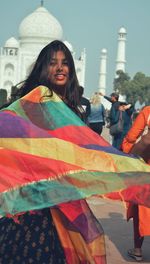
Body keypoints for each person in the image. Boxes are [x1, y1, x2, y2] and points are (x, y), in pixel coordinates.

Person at [0, 40, 106, 263]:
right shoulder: (34, 102)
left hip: (65, 196)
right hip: (34, 200)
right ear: (42, 68)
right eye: (53, 63)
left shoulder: (69, 107)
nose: (60, 68)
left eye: (65, 63)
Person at [122, 106, 150, 262]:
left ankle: (137, 249)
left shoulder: (148, 112)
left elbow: (131, 137)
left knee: (140, 206)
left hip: (145, 168)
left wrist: (128, 153)